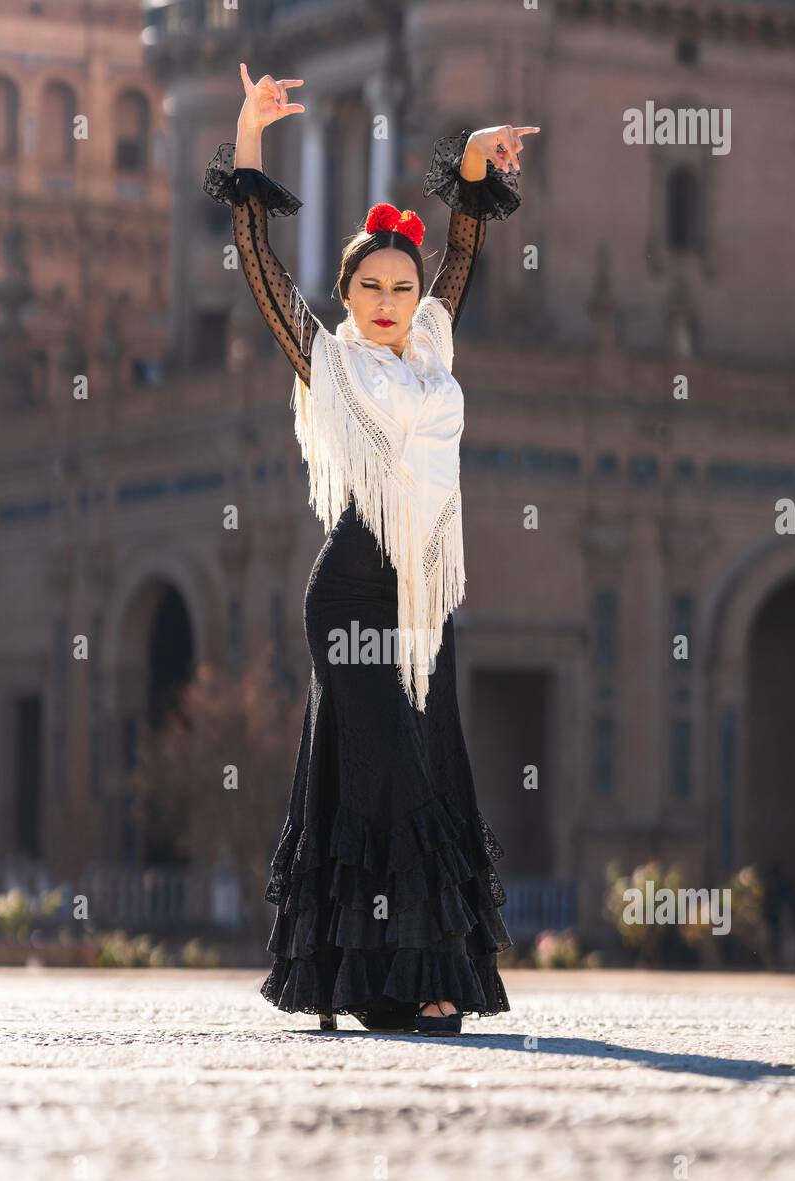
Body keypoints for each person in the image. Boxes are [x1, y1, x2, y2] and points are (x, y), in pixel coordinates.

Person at [203, 63, 539, 1035]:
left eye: (400, 283)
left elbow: (464, 250)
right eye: (371, 287)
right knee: (389, 768)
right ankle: (413, 975)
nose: (392, 299)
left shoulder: (431, 352)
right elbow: (259, 258)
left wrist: (475, 158)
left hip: (423, 602)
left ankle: (388, 979)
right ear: (346, 295)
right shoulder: (330, 361)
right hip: (349, 593)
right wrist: (250, 133)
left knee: (421, 766)